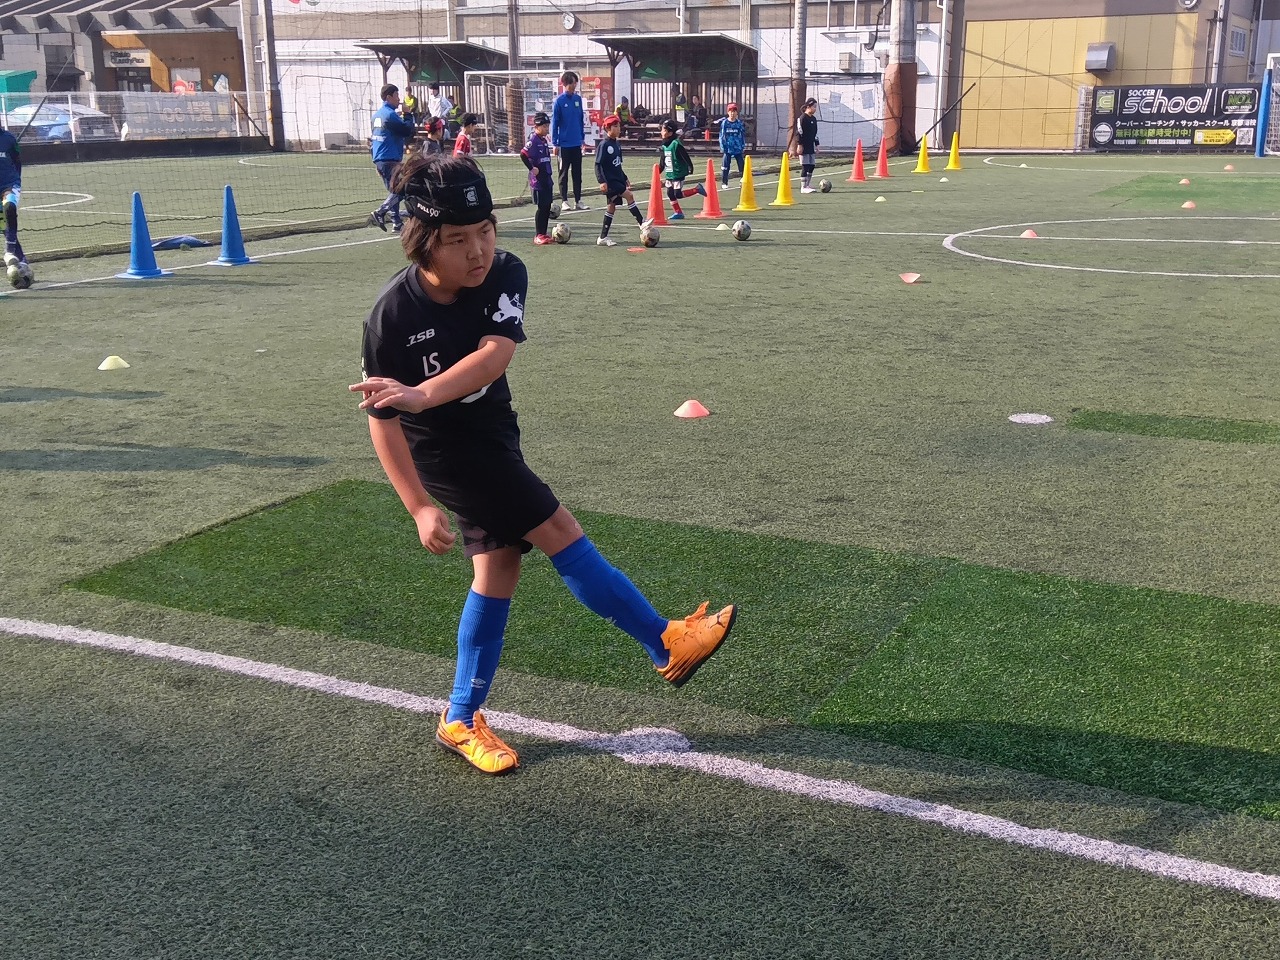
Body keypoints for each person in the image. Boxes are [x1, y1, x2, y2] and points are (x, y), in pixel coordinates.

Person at [349, 152, 738, 775]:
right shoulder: (391, 317)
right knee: (558, 529)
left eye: (485, 231)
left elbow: (495, 354)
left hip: (494, 430)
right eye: (457, 239)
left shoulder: (506, 271)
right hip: (446, 450)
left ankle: (460, 717)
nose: (478, 250)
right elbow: (383, 420)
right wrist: (418, 504)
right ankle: (664, 641)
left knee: (498, 568)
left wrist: (424, 391)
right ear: (422, 242)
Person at [593, 114, 654, 247]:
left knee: (611, 207)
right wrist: (601, 181)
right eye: (615, 126)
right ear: (608, 129)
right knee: (629, 196)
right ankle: (641, 222)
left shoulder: (617, 144)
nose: (618, 129)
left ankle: (602, 237)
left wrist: (625, 177)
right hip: (610, 182)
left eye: (619, 126)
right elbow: (598, 164)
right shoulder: (604, 145)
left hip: (618, 180)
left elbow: (618, 164)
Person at [369, 83, 417, 233]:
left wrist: (375, 161)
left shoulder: (376, 115)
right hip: (390, 158)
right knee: (402, 188)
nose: (399, 99)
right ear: (389, 97)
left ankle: (396, 222)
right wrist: (408, 114)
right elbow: (408, 131)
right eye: (396, 96)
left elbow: (374, 140)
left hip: (380, 158)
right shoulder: (390, 115)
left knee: (394, 190)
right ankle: (380, 212)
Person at [551, 71, 589, 211]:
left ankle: (578, 200)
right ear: (566, 83)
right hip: (564, 145)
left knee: (577, 173)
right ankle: (564, 201)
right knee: (563, 173)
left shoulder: (578, 99)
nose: (575, 85)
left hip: (576, 143)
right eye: (573, 82)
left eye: (576, 82)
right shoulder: (559, 101)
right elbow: (555, 123)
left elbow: (580, 120)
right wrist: (555, 143)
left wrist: (582, 138)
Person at [0, 123, 31, 288]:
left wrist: (15, 180)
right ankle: (22, 262)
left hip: (9, 184)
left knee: (10, 207)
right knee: (4, 227)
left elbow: (17, 161)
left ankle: (9, 252)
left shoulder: (9, 138)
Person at [657, 119, 706, 220]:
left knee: (677, 194)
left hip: (678, 173)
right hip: (669, 173)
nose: (661, 132)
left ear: (670, 133)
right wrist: (657, 172)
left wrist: (690, 166)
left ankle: (697, 189)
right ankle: (678, 212)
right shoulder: (664, 146)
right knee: (670, 193)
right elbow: (662, 161)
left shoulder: (676, 144)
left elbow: (685, 156)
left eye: (664, 130)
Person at [521, 111, 555, 245]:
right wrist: (531, 168)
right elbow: (523, 154)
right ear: (536, 127)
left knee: (547, 206)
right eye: (544, 126)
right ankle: (538, 234)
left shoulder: (544, 141)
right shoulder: (533, 141)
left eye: (547, 126)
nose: (546, 128)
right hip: (538, 181)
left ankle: (544, 233)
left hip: (547, 178)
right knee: (542, 207)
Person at [794, 96, 821, 193]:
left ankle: (808, 184)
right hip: (804, 145)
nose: (815, 109)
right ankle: (803, 187)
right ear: (808, 106)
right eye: (814, 107)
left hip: (811, 145)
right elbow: (799, 132)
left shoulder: (813, 119)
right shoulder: (802, 118)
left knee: (812, 165)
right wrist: (799, 144)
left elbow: (815, 133)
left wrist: (817, 145)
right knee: (805, 166)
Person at [718, 102, 747, 188]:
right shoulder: (724, 123)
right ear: (728, 112)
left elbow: (742, 135)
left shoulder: (739, 123)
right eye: (731, 111)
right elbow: (722, 136)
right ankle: (724, 182)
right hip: (728, 148)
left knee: (742, 165)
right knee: (725, 166)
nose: (732, 113)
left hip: (737, 148)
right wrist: (723, 146)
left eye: (734, 111)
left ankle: (743, 180)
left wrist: (742, 145)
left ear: (737, 113)